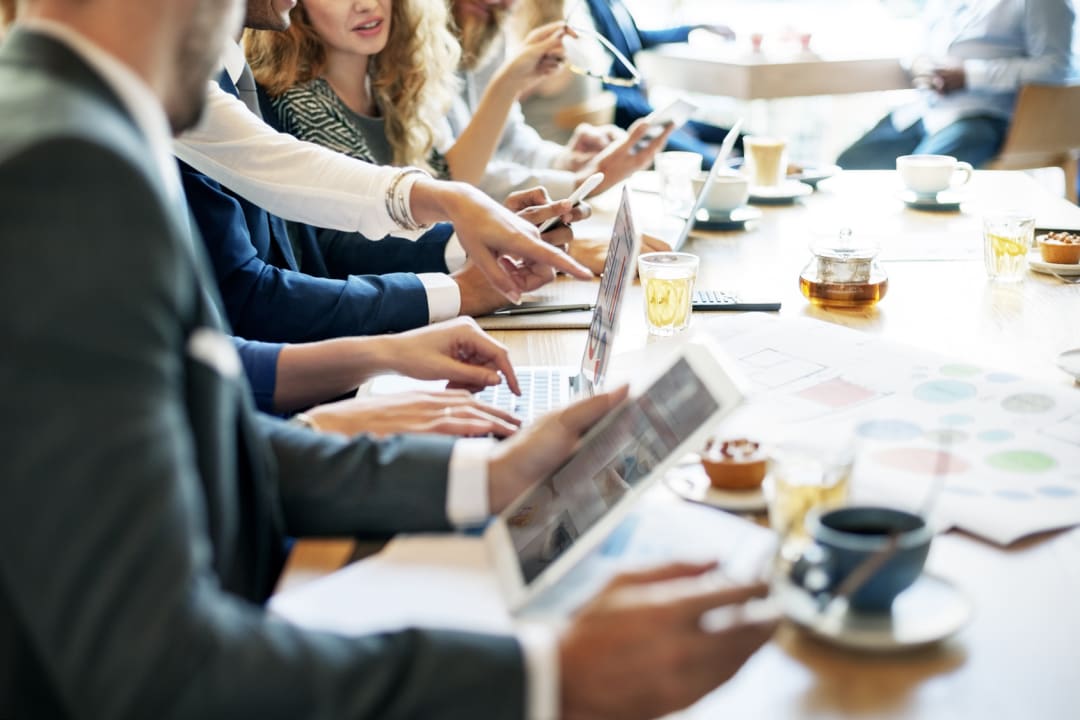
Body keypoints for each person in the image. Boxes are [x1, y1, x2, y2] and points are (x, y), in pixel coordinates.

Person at [0, 2, 777, 717]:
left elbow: (193, 440)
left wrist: (482, 477)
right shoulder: (64, 172)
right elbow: (154, 674)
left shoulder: (72, 121)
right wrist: (548, 675)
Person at [246, 0, 568, 188]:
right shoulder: (300, 102)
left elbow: (446, 180)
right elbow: (372, 243)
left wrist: (510, 80)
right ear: (296, 6)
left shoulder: (386, 81)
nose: (367, 5)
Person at [448, 0, 673, 201]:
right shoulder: (418, 57)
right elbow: (450, 180)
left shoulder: (488, 24)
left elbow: (510, 139)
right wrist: (581, 183)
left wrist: (565, 162)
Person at [836, 0, 1075, 170]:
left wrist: (970, 74)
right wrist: (918, 63)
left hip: (986, 117)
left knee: (922, 179)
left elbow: (1056, 67)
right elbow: (919, 43)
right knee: (849, 165)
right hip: (924, 111)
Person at [577, 0, 739, 170]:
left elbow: (638, 37)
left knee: (739, 139)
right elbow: (601, 85)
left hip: (644, 108)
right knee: (713, 163)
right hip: (629, 117)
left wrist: (694, 29)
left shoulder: (615, 4)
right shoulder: (587, 8)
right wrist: (658, 117)